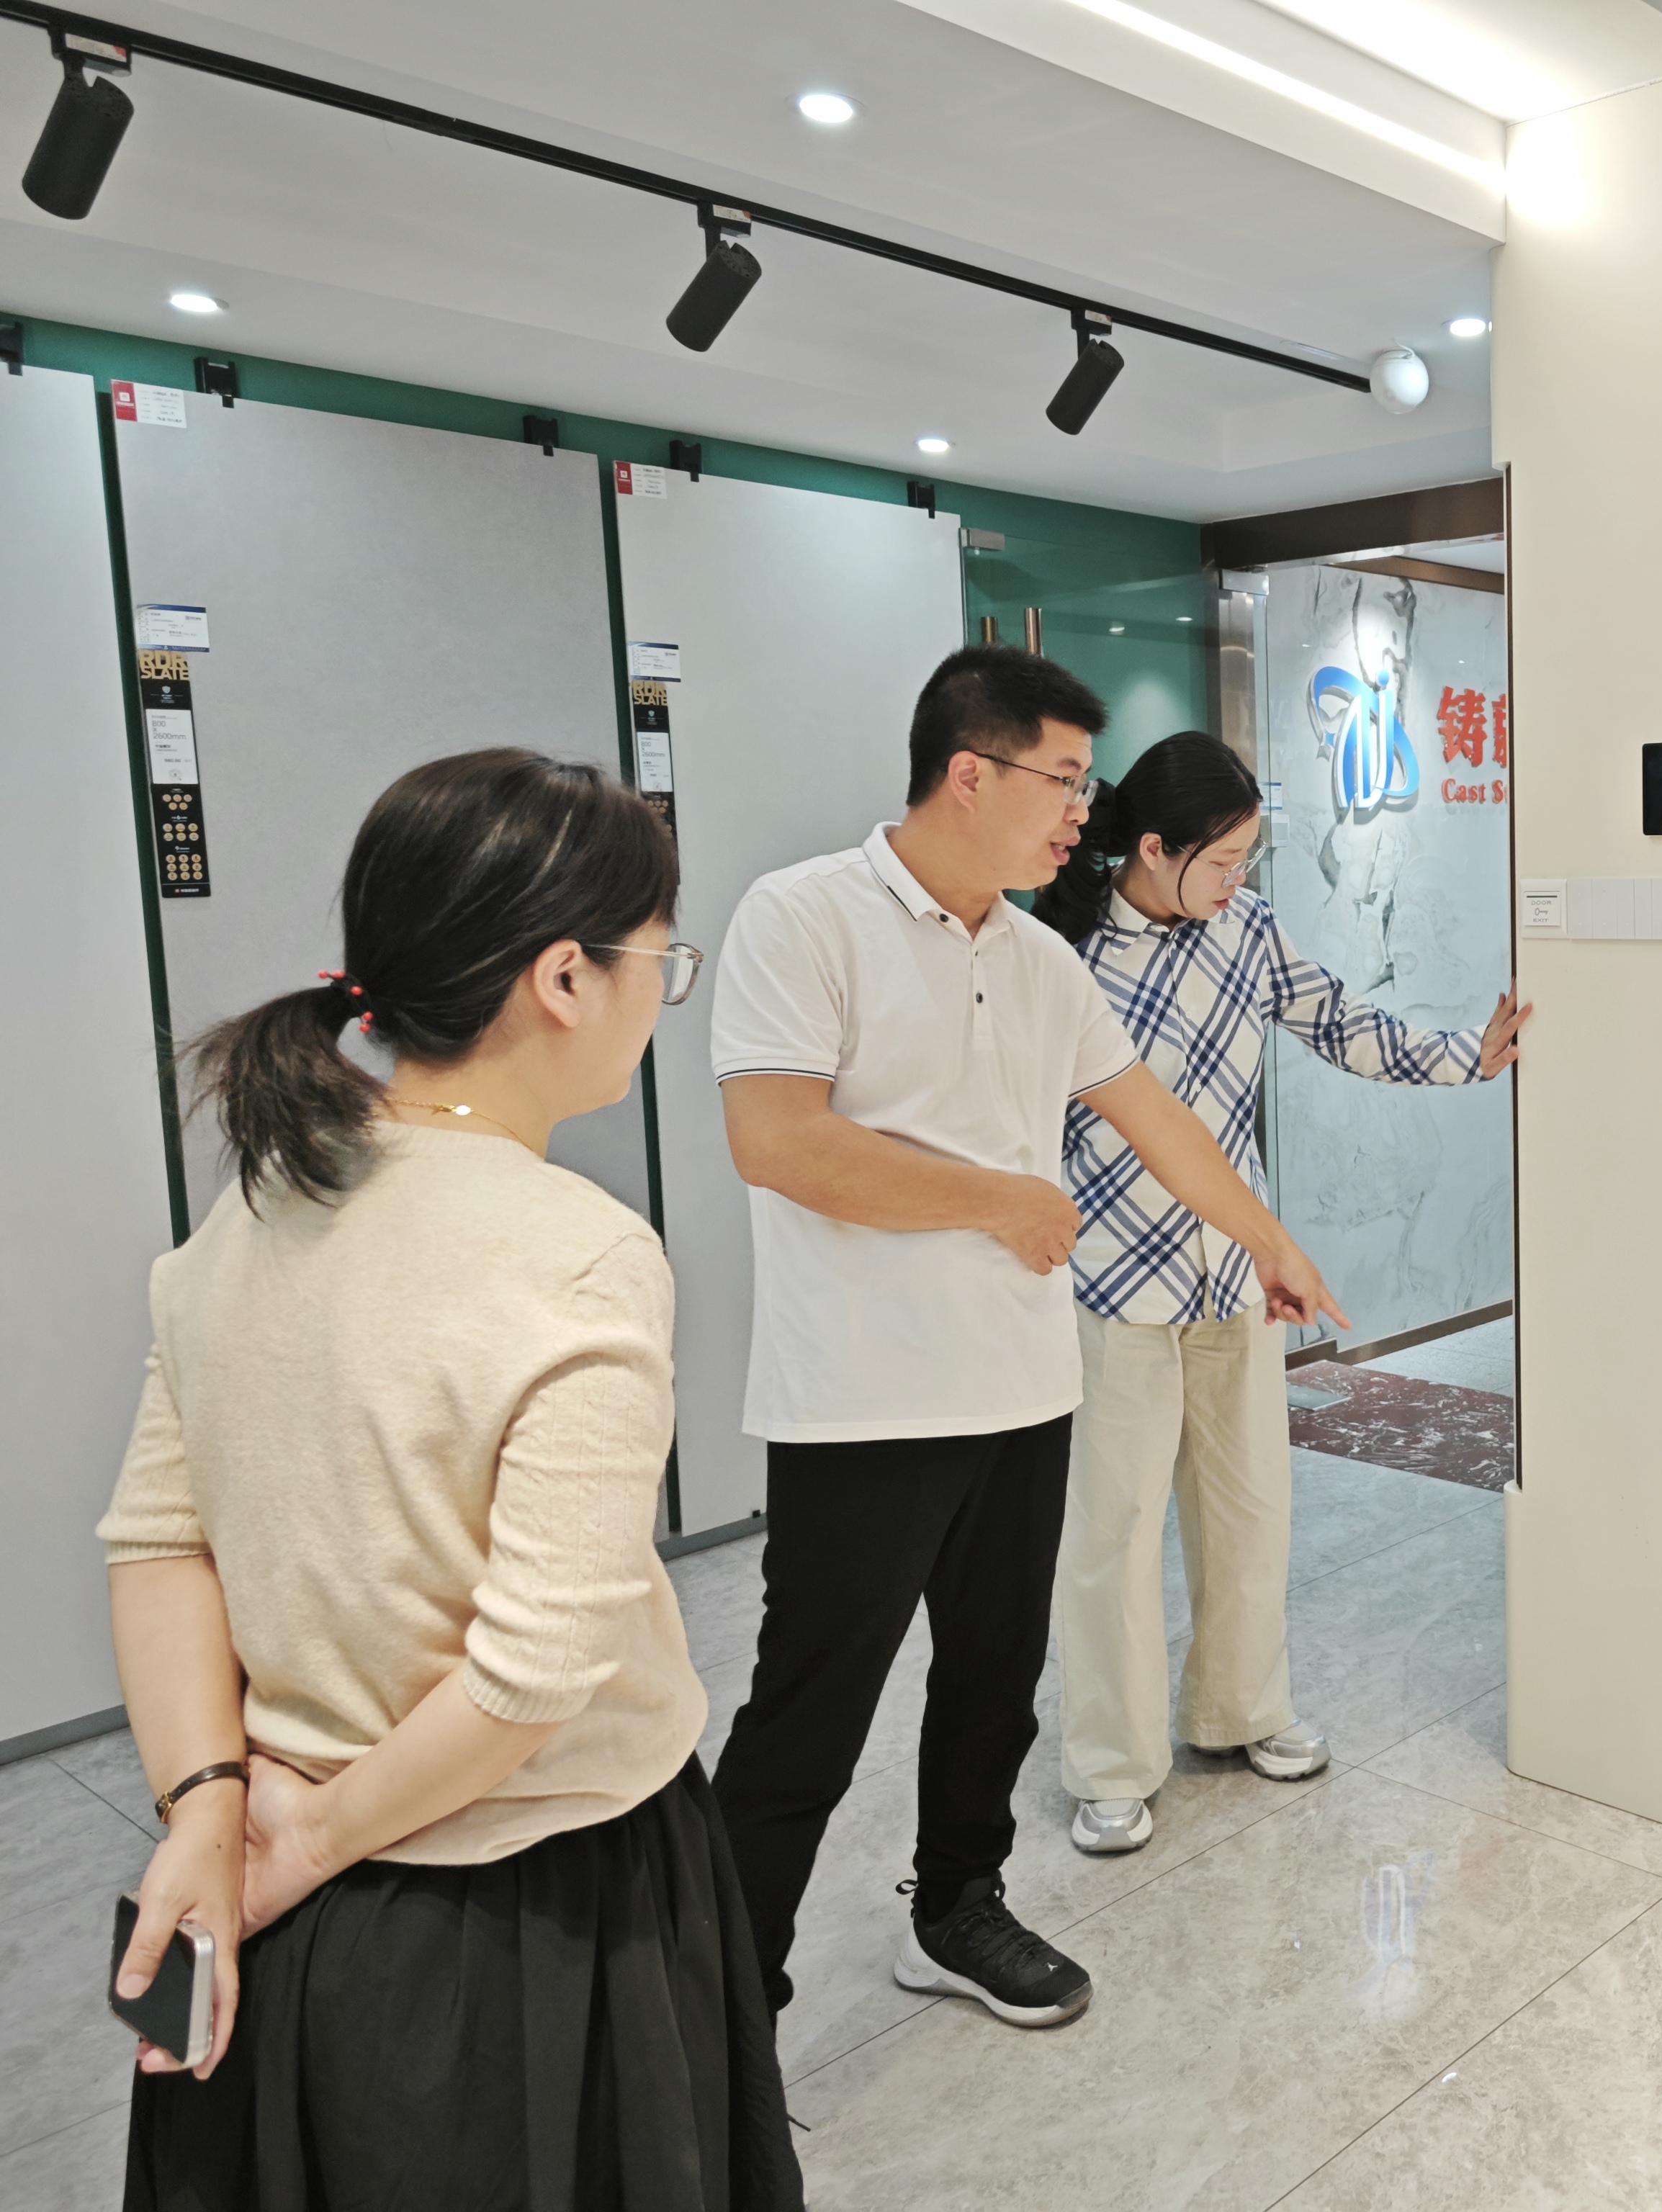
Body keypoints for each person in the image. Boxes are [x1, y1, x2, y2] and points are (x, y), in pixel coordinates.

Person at [100, 749, 799, 2206]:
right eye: (659, 967)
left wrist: (211, 1815)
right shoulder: (579, 1254)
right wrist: (305, 1844)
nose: (658, 1002)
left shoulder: (254, 1211)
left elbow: (160, 1541)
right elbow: (535, 1673)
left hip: (287, 1912)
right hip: (534, 1906)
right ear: (565, 978)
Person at [705, 647, 1347, 2033]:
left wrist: (1269, 1241)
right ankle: (717, 2011)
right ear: (968, 774)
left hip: (1020, 1385)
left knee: (992, 1688)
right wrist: (1001, 1199)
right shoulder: (803, 915)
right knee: (809, 1715)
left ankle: (956, 1909)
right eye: (1063, 781)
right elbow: (778, 1143)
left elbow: (1155, 1117)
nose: (1083, 813)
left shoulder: (1043, 957)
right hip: (862, 1402)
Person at [1035, 732, 1530, 1853]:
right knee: (1112, 1535)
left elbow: (1346, 1027)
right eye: (1222, 862)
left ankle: (1240, 1711)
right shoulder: (1064, 953)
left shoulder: (1249, 932)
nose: (1238, 882)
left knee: (1250, 1508)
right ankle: (1112, 1765)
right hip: (1111, 1285)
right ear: (1151, 850)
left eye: (1250, 861)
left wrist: (1470, 1055)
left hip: (1237, 1274)